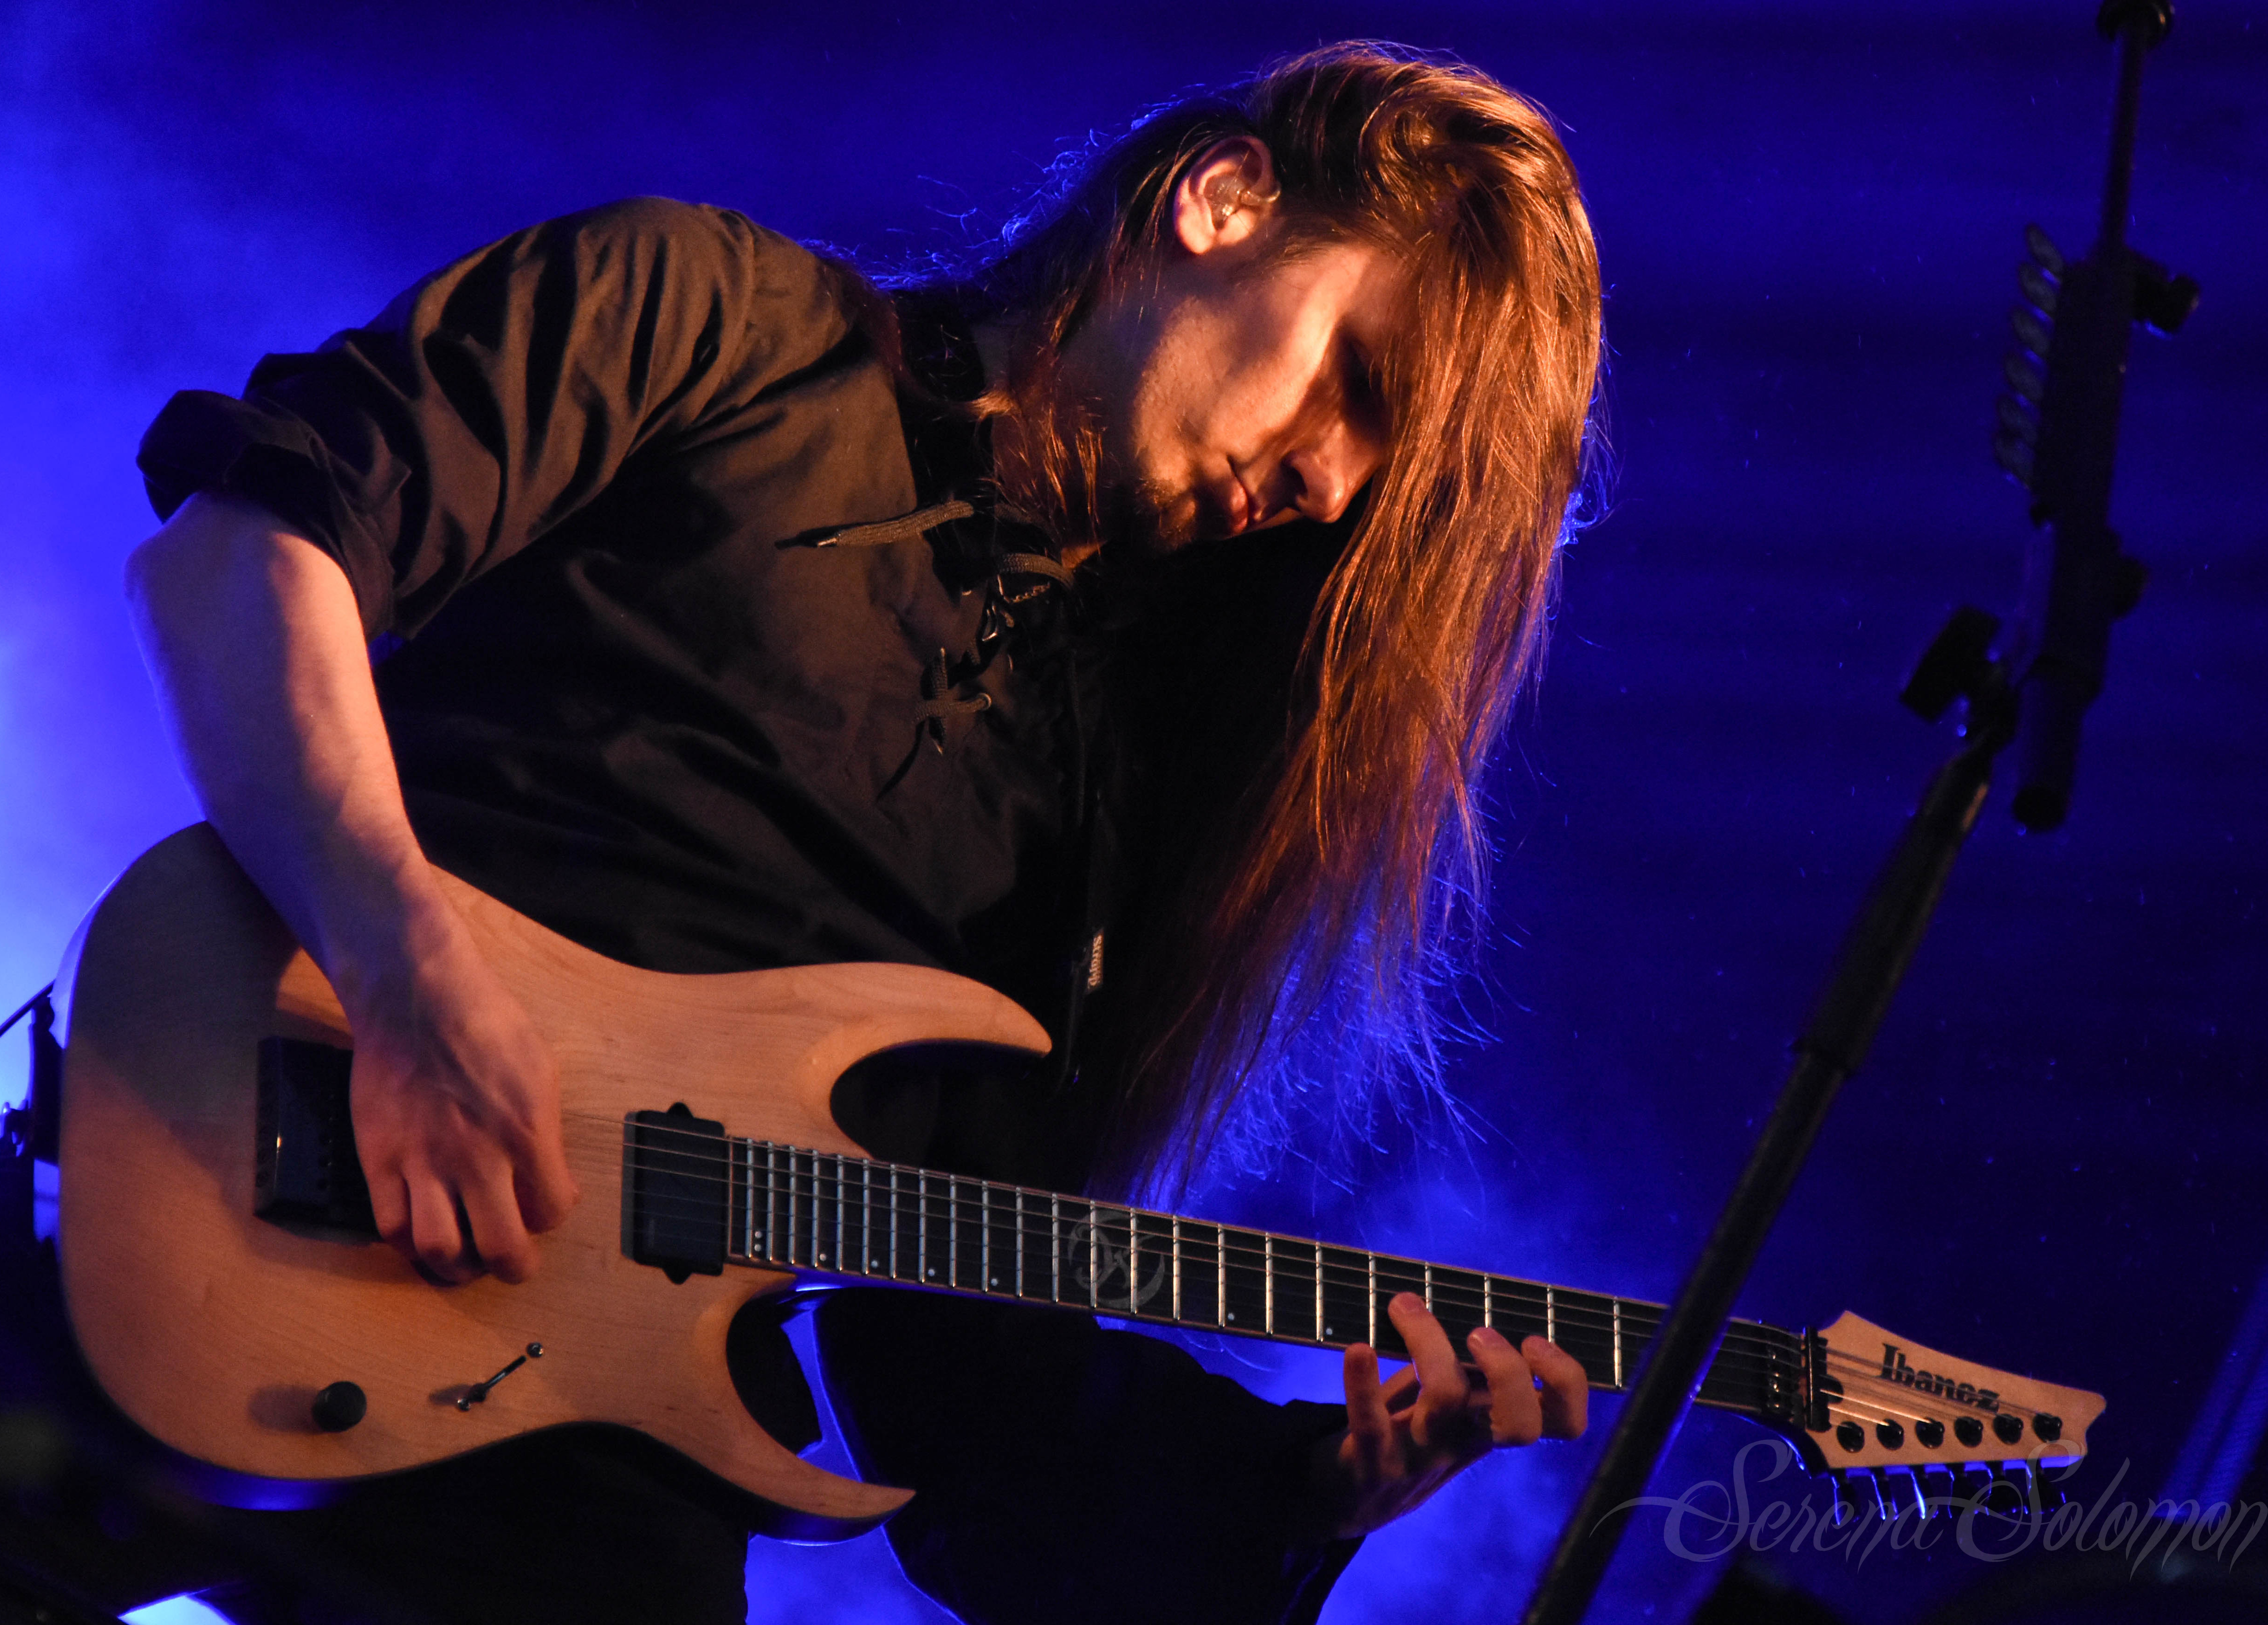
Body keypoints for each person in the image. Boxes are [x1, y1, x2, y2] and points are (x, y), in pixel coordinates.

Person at [35, 40, 1603, 1625]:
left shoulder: (1100, 821)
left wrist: (1310, 1489)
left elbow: (964, 1405)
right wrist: (405, 975)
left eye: (1381, 473)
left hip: (577, 1494)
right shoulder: (709, 319)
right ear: (1222, 200)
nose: (1333, 483)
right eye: (1358, 381)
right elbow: (241, 557)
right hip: (204, 1177)